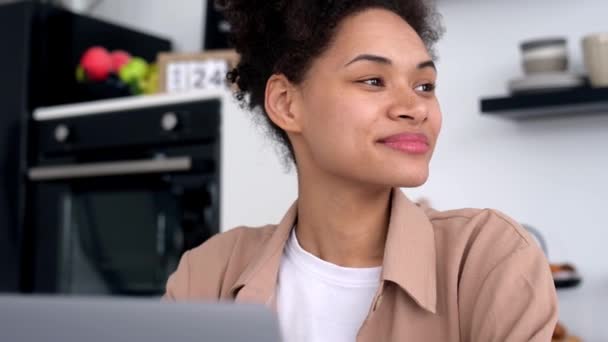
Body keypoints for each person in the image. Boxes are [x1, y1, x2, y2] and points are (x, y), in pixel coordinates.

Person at [164, 1, 558, 341]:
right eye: (373, 80)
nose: (414, 107)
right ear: (286, 103)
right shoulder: (207, 274)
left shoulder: (487, 258)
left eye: (424, 85)